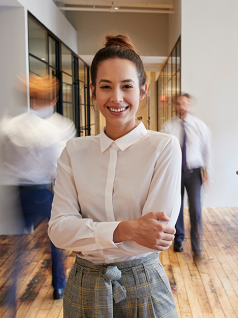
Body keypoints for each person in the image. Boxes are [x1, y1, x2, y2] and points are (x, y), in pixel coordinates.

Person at [48, 35, 181, 317]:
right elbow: (59, 231)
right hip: (84, 286)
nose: (116, 98)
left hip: (144, 283)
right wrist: (128, 229)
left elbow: (156, 236)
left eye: (127, 86)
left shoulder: (163, 147)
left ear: (143, 91)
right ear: (93, 91)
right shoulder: (75, 151)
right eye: (106, 87)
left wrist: (86, 233)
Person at [1, 74, 76, 304]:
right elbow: (59, 165)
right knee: (55, 240)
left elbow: (5, 160)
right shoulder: (59, 128)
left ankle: (11, 294)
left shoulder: (9, 126)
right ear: (53, 99)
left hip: (20, 192)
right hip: (43, 191)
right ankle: (59, 287)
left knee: (19, 246)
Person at [161, 94, 212, 259]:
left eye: (185, 104)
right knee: (177, 207)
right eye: (179, 104)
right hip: (175, 172)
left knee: (196, 209)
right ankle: (179, 239)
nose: (182, 106)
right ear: (175, 106)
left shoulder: (199, 126)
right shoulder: (168, 127)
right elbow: (163, 152)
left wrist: (207, 170)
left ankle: (197, 246)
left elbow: (206, 149)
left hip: (194, 172)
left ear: (189, 106)